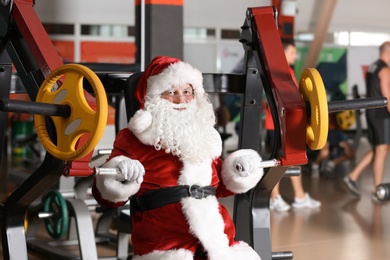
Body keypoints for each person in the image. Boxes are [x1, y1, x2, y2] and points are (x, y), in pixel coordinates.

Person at [92, 56, 264, 259]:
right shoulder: (133, 139)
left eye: (187, 92)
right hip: (165, 240)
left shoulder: (204, 136)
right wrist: (119, 175)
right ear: (155, 98)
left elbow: (220, 186)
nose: (181, 99)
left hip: (216, 235)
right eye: (171, 93)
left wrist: (239, 170)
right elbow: (105, 197)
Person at [267, 40, 321, 211]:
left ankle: (299, 197)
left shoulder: (285, 71)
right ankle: (275, 198)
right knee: (277, 161)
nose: (295, 56)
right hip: (277, 124)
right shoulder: (281, 72)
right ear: (283, 53)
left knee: (294, 158)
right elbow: (283, 100)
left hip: (287, 123)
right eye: (292, 52)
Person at [344, 41, 390, 199]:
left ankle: (353, 176)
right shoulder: (385, 69)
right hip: (381, 114)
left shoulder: (372, 67)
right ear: (387, 52)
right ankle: (377, 191)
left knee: (379, 149)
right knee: (382, 150)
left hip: (372, 113)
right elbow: (387, 97)